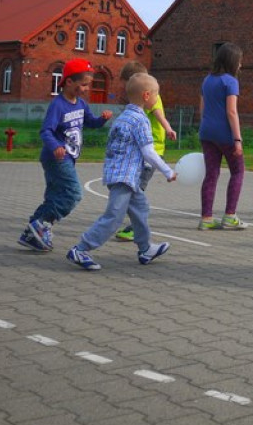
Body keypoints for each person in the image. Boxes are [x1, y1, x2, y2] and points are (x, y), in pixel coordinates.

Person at [67, 73, 176, 270]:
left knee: (141, 208)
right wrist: (168, 171)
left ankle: (145, 249)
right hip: (124, 178)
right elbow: (148, 152)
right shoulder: (141, 120)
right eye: (156, 95)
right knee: (114, 216)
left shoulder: (123, 117)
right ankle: (81, 249)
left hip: (121, 175)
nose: (157, 99)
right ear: (146, 96)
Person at [17, 58, 113, 252]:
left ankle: (31, 234)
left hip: (68, 157)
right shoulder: (58, 105)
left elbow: (90, 123)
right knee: (73, 193)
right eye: (83, 84)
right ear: (69, 81)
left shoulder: (81, 104)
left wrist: (102, 120)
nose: (86, 89)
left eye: (88, 85)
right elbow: (46, 131)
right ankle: (41, 224)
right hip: (57, 158)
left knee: (54, 196)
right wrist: (55, 146)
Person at [113, 61, 177, 242]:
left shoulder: (151, 99)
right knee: (135, 188)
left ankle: (135, 227)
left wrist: (169, 128)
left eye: (127, 83)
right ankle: (131, 223)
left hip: (152, 150)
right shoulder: (145, 98)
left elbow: (159, 115)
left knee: (136, 189)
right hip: (146, 149)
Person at [197, 42, 247, 231]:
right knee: (238, 171)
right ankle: (230, 216)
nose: (241, 65)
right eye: (240, 61)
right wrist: (237, 139)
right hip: (225, 134)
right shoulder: (230, 81)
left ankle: (206, 218)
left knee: (211, 174)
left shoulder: (207, 79)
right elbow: (231, 112)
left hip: (206, 132)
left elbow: (202, 108)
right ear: (232, 61)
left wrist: (205, 125)